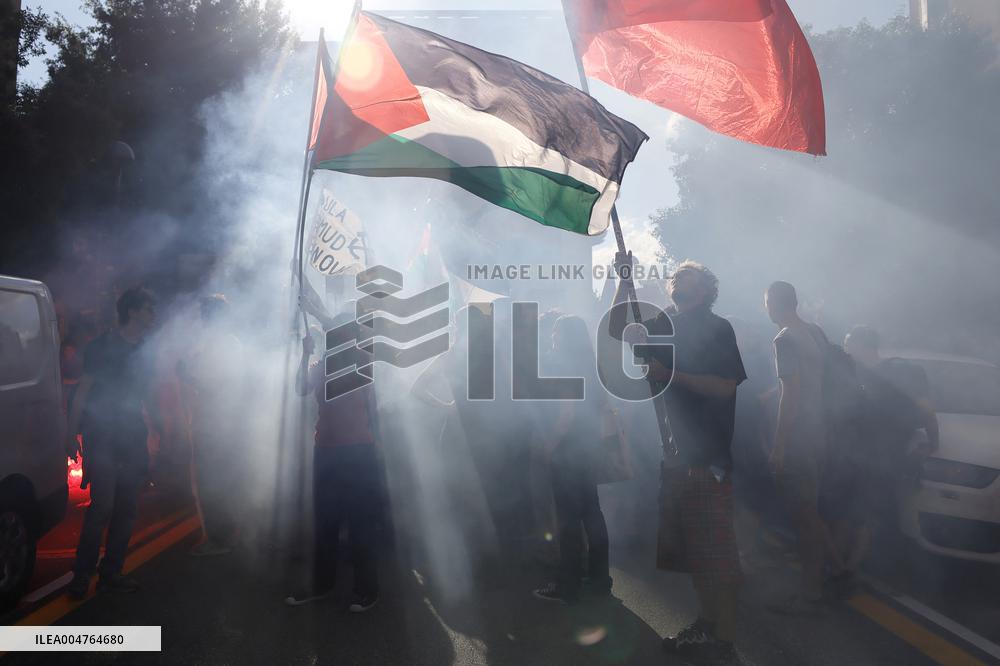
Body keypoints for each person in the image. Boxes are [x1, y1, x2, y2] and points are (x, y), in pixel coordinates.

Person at [612, 254, 747, 665]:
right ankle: (708, 625)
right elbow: (620, 327)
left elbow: (725, 387)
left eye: (685, 275)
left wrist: (669, 374)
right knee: (696, 555)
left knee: (714, 555)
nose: (676, 280)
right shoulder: (664, 324)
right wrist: (623, 279)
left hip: (706, 457)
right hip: (676, 455)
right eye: (674, 275)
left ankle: (722, 637)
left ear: (706, 289)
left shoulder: (716, 327)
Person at [285, 313, 382, 612]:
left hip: (358, 451)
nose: (338, 338)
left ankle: (367, 589)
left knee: (360, 521)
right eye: (337, 333)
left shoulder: (363, 361)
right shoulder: (323, 364)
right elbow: (301, 388)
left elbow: (372, 404)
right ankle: (322, 584)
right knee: (325, 521)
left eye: (342, 333)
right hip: (326, 451)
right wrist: (305, 353)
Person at [66, 287, 158, 599]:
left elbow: (146, 396)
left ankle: (111, 572)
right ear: (132, 311)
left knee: (127, 508)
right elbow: (83, 390)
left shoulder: (146, 349)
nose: (152, 316)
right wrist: (70, 434)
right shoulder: (102, 346)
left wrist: (158, 428)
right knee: (102, 507)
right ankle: (81, 575)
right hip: (102, 435)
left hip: (132, 436)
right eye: (148, 309)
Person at [763, 281, 844, 614]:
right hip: (821, 431)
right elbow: (816, 383)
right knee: (810, 508)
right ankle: (837, 569)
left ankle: (812, 592)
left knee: (803, 513)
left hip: (799, 436)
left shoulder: (784, 339)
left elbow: (792, 393)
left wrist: (779, 445)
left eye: (765, 302)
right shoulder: (814, 332)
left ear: (772, 303)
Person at [838, 325, 938, 569]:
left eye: (848, 345)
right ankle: (849, 563)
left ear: (863, 346)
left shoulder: (898, 372)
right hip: (857, 455)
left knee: (868, 511)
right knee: (861, 510)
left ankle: (851, 568)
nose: (845, 350)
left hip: (884, 456)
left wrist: (934, 443)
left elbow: (926, 410)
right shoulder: (856, 374)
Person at [532, 315, 612, 605]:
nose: (552, 337)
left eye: (556, 332)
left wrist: (548, 446)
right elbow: (603, 405)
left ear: (564, 337)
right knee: (593, 514)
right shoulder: (590, 364)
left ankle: (568, 585)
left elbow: (566, 414)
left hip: (567, 451)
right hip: (589, 447)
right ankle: (601, 579)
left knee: (568, 520)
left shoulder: (563, 364)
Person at [179, 294, 244, 557]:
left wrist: (186, 375)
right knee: (216, 479)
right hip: (215, 420)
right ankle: (221, 534)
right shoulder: (225, 342)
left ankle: (220, 538)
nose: (201, 320)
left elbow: (218, 385)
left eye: (204, 314)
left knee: (211, 480)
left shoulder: (225, 344)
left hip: (216, 421)